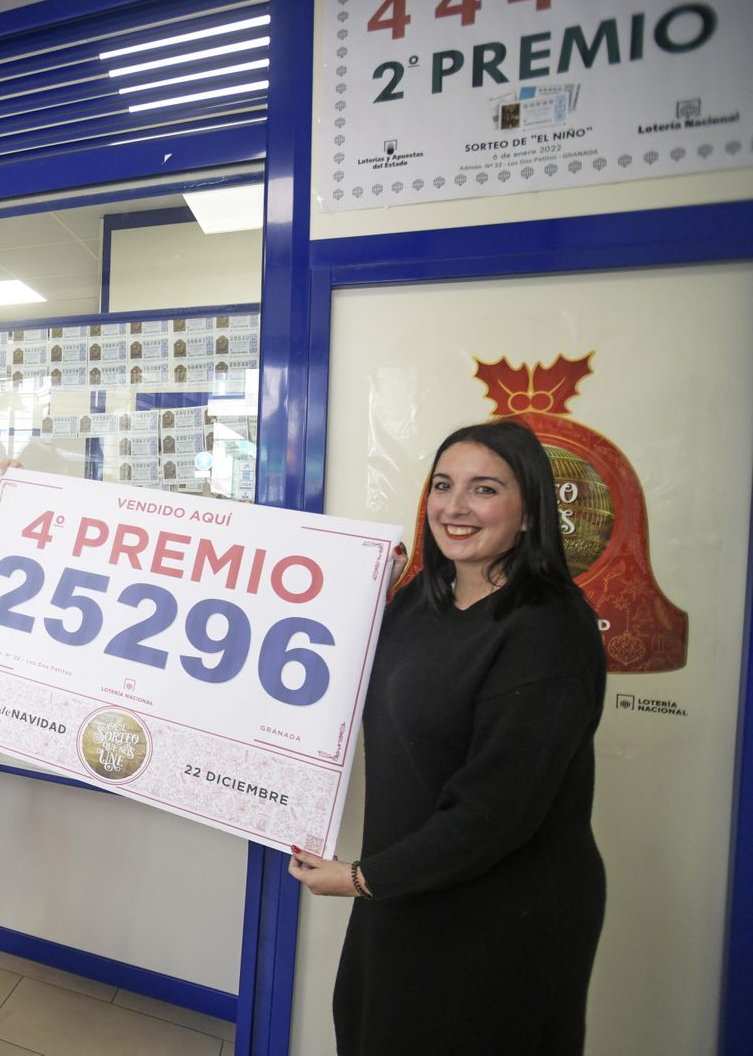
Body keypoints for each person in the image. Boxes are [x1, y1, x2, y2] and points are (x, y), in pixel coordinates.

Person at [289, 420, 607, 1054]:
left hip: (499, 915)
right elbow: (324, 677)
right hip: (405, 889)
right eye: (442, 485)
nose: (454, 507)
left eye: (483, 489)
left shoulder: (548, 629)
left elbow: (495, 812)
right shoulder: (419, 604)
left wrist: (361, 879)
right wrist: (357, 593)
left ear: (528, 515)